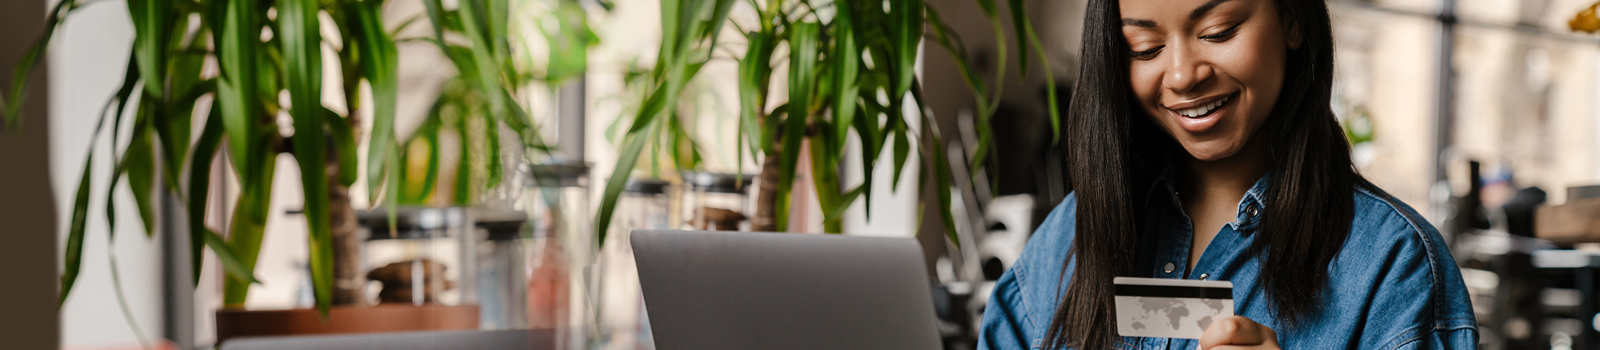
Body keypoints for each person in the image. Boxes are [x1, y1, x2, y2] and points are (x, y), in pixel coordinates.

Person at [977, 0, 1477, 349]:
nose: (1181, 74)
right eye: (1145, 47)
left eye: (1218, 32)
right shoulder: (1069, 237)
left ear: (1292, 18)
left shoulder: (1393, 266)